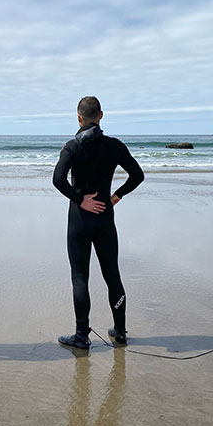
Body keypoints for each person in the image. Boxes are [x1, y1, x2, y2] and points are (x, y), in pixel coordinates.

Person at [52, 96, 144, 349]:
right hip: (104, 217)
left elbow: (58, 180)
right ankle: (121, 331)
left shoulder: (71, 147)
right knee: (112, 274)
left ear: (79, 117)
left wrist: (80, 200)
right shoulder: (114, 146)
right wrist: (117, 196)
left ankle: (82, 335)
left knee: (80, 276)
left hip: (80, 220)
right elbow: (138, 175)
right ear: (101, 115)